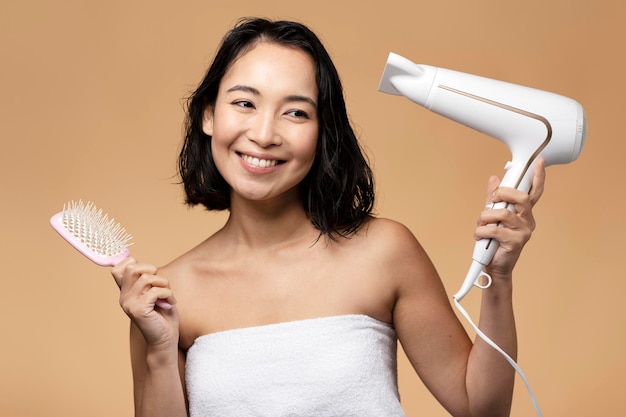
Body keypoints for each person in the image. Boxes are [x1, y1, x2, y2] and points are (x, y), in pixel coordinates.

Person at [111, 17, 545, 417]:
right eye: (245, 103)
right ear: (208, 114)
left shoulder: (384, 252)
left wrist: (498, 278)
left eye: (296, 112)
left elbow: (480, 408)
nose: (264, 135)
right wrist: (160, 349)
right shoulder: (168, 297)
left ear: (323, 132)